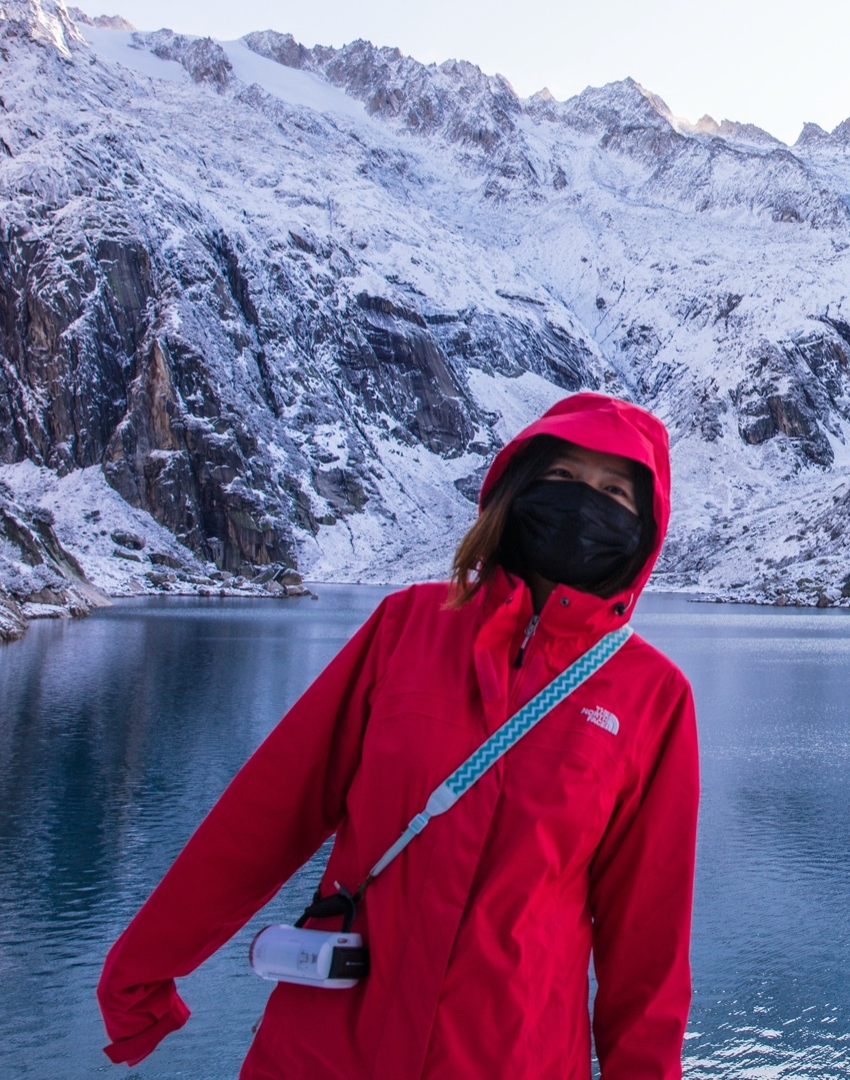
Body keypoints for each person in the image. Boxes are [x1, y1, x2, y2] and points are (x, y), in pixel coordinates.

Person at [96, 394, 698, 1079]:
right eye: (562, 477)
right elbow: (267, 813)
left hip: (508, 1059)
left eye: (615, 491)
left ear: (641, 530)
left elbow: (648, 948)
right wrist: (143, 970)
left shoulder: (652, 696)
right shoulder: (408, 627)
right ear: (517, 488)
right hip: (325, 1051)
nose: (585, 504)